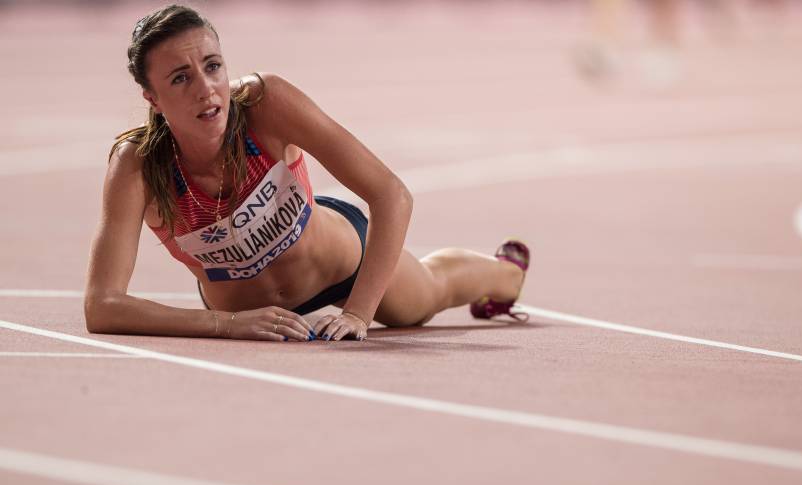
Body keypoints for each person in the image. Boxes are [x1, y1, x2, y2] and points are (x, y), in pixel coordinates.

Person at [84, 4, 530, 343]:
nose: (206, 89)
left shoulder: (265, 103)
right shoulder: (137, 164)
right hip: (250, 312)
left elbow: (391, 195)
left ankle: (506, 274)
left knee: (428, 296)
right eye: (180, 78)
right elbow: (102, 307)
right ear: (152, 98)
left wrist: (357, 313)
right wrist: (227, 324)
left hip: (341, 264)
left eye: (213, 65)